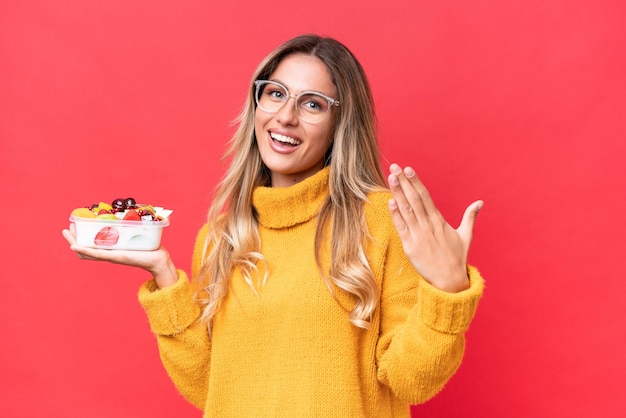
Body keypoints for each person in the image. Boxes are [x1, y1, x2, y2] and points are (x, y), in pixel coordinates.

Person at [63, 34, 485, 417]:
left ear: (341, 124)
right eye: (276, 94)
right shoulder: (220, 238)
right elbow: (212, 388)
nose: (286, 116)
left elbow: (413, 380)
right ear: (257, 104)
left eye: (312, 103)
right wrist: (164, 278)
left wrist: (447, 290)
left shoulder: (382, 220)